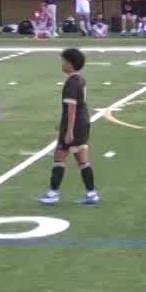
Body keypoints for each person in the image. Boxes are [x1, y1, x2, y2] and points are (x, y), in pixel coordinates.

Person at [39, 47, 99, 207]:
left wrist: (69, 130)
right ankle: (91, 193)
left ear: (71, 63)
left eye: (64, 61)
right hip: (82, 121)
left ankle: (53, 193)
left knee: (60, 156)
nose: (62, 64)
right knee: (82, 159)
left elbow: (71, 108)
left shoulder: (71, 83)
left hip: (75, 124)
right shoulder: (80, 79)